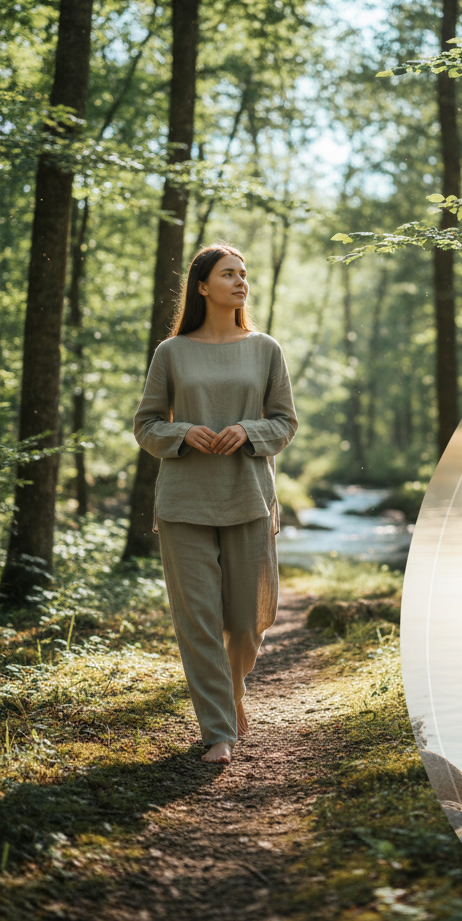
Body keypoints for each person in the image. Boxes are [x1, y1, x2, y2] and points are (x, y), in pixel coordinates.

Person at [134, 244, 298, 763]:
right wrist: (184, 434)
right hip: (184, 503)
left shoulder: (266, 348)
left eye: (244, 274)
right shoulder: (172, 353)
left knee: (247, 623)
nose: (241, 281)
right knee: (199, 621)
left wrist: (246, 432)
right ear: (203, 286)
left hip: (249, 499)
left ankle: (232, 692)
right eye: (229, 274)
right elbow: (147, 425)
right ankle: (218, 731)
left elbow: (286, 422)